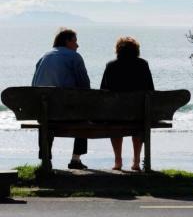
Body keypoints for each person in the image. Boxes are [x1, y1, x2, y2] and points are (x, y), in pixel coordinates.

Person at [32, 28, 90, 170]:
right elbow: (85, 86)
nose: (77, 45)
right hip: (67, 113)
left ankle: (46, 159)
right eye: (75, 41)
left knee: (45, 115)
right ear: (67, 41)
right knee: (85, 110)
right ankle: (75, 159)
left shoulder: (43, 56)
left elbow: (34, 85)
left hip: (46, 114)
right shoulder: (74, 57)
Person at [100, 36, 154, 171]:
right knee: (138, 125)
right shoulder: (143, 65)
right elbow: (150, 89)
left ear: (118, 50)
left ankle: (118, 161)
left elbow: (103, 91)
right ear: (136, 50)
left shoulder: (111, 65)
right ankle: (136, 161)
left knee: (115, 124)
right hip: (138, 114)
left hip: (116, 115)